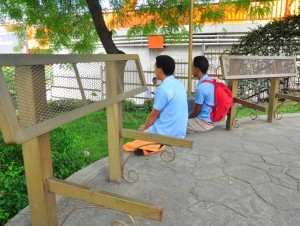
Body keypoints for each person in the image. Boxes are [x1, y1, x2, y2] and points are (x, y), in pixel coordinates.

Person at [139, 55, 188, 138]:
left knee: (138, 134)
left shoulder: (163, 88)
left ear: (160, 70)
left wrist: (145, 128)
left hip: (165, 133)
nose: (154, 70)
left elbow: (153, 116)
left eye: (155, 67)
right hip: (180, 133)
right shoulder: (179, 85)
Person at [187, 56, 215, 133]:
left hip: (203, 123)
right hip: (210, 120)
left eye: (192, 66)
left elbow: (195, 112)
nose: (191, 69)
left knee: (176, 124)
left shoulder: (201, 88)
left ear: (197, 69)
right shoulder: (210, 81)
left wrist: (186, 118)